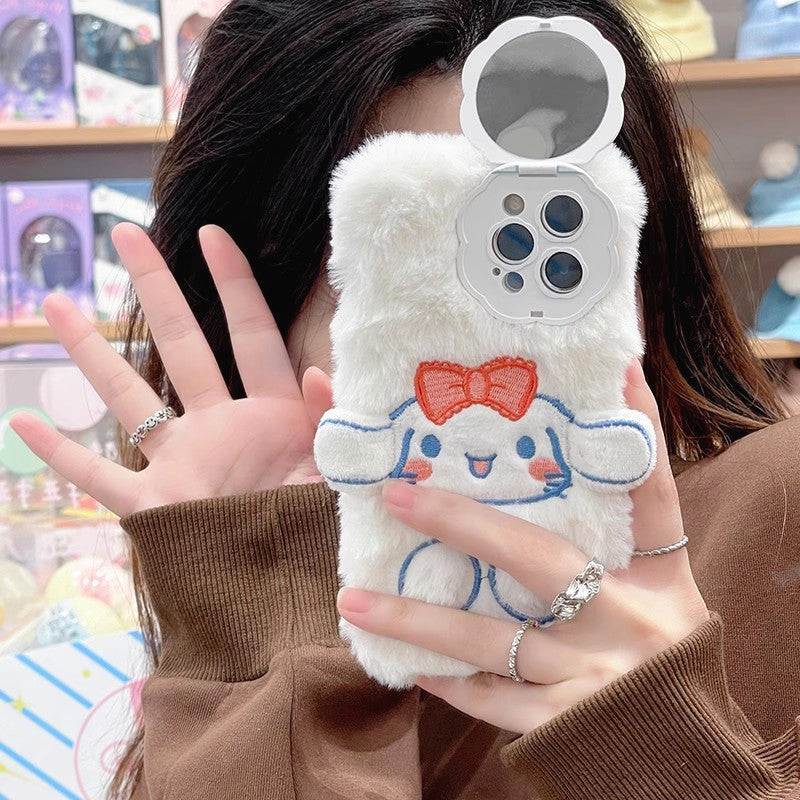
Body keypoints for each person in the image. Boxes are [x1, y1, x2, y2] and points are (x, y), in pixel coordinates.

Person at [10, 1, 800, 798]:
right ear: (276, 284)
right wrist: (259, 618)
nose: (486, 333)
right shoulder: (264, 543)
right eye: (415, 259)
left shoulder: (774, 511)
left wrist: (676, 761)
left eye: (546, 241)